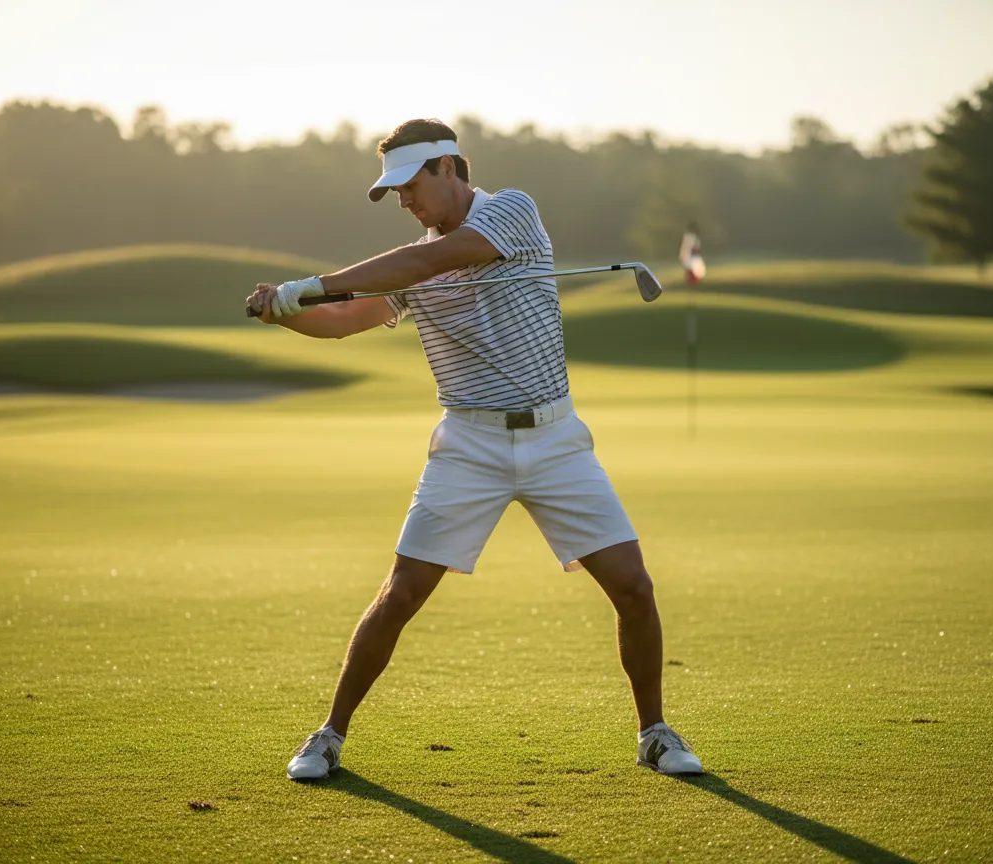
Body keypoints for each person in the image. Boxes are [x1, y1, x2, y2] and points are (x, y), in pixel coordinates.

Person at [246, 118, 703, 781]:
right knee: (400, 594)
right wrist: (284, 311)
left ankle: (655, 734)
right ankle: (328, 736)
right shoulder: (407, 262)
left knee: (634, 587)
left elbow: (434, 259)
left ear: (450, 168)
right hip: (468, 445)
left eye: (410, 186)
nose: (406, 201)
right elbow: (347, 320)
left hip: (555, 440)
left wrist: (313, 282)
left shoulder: (512, 211)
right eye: (395, 193)